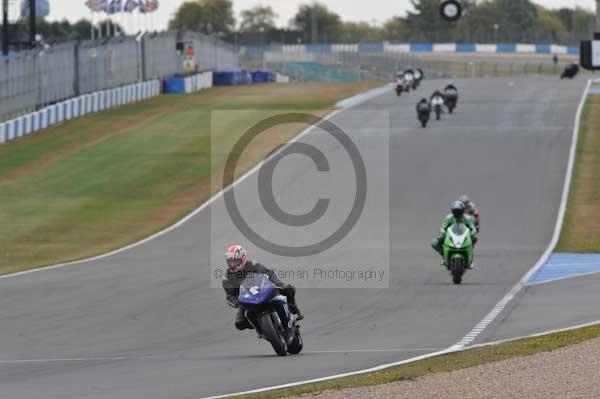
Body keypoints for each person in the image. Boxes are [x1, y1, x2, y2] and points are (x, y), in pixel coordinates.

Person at [222, 245, 303, 330]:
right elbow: (230, 296)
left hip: (264, 289)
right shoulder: (226, 278)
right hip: (246, 300)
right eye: (230, 261)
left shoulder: (253, 265)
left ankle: (294, 309)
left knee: (288, 288)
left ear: (242, 258)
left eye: (235, 261)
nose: (232, 264)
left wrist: (277, 283)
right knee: (239, 323)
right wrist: (236, 303)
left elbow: (269, 273)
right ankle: (261, 327)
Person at [431, 201, 478, 267]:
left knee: (474, 239)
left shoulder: (467, 218)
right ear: (452, 211)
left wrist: (473, 232)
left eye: (459, 211)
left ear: (462, 210)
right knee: (434, 243)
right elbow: (443, 226)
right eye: (455, 211)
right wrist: (443, 231)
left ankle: (470, 257)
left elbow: (472, 227)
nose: (457, 213)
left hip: (464, 235)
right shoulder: (448, 218)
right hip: (450, 235)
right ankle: (444, 254)